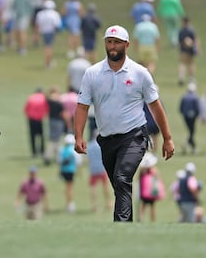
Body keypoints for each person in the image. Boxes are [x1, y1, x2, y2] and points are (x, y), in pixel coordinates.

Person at [74, 25, 175, 222]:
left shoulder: (140, 73)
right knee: (119, 185)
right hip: (106, 140)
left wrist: (167, 138)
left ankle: (120, 227)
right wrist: (78, 136)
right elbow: (82, 107)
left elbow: (155, 107)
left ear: (127, 45)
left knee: (122, 178)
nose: (112, 46)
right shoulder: (92, 73)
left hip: (134, 136)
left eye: (117, 42)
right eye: (109, 42)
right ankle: (126, 228)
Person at [35, 0, 62, 69]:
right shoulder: (54, 14)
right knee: (49, 48)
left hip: (43, 32)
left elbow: (37, 24)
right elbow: (57, 25)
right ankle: (48, 63)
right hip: (51, 32)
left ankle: (48, 62)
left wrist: (37, 34)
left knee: (47, 47)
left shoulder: (40, 14)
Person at [138, 152, 164, 222]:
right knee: (151, 207)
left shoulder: (142, 171)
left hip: (144, 192)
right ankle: (152, 220)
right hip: (151, 192)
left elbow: (139, 180)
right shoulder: (154, 170)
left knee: (143, 206)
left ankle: (140, 219)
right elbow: (159, 179)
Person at [87, 136, 111, 212]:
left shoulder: (90, 145)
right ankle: (108, 202)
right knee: (105, 186)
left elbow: (88, 157)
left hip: (93, 169)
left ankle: (94, 205)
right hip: (102, 168)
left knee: (93, 187)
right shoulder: (102, 144)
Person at [24, 87, 49, 159]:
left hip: (31, 119)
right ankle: (42, 150)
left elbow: (26, 109)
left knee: (32, 136)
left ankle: (34, 152)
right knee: (41, 136)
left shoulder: (31, 98)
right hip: (39, 119)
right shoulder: (44, 98)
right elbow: (46, 109)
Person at [59, 134, 80, 213]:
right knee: (69, 188)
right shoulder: (73, 150)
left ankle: (68, 203)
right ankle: (70, 204)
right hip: (71, 170)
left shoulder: (62, 149)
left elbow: (59, 161)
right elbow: (78, 161)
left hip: (64, 170)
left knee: (67, 187)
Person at [177, 16, 199, 86]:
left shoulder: (181, 31)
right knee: (191, 64)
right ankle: (191, 78)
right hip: (191, 50)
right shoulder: (191, 30)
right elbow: (195, 40)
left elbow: (179, 41)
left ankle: (181, 77)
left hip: (183, 50)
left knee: (182, 64)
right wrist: (197, 48)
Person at [179, 82, 200, 154]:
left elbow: (181, 108)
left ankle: (190, 146)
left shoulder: (184, 97)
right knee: (192, 132)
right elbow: (197, 108)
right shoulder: (195, 97)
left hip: (185, 116)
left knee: (191, 132)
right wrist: (197, 115)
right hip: (193, 117)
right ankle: (189, 145)